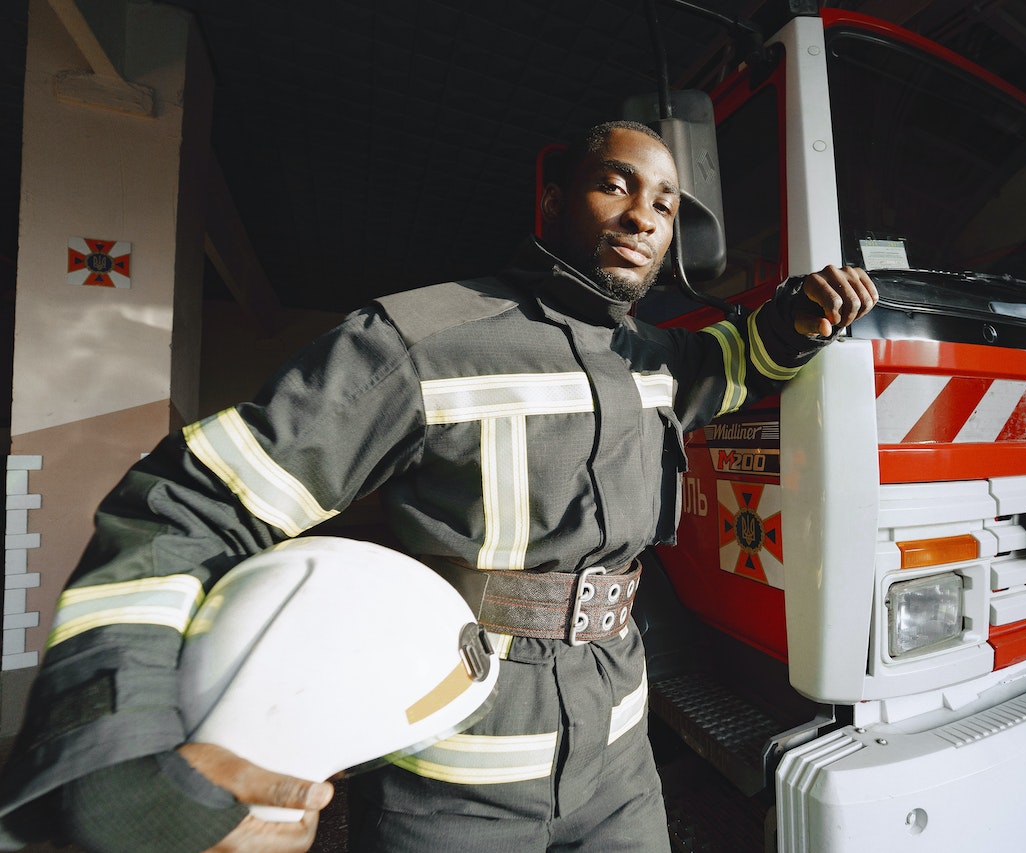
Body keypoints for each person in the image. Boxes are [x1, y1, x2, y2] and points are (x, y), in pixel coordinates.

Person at [0, 120, 876, 852]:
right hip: (451, 792)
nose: (644, 215)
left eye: (664, 202)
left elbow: (740, 364)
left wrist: (797, 318)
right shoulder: (418, 339)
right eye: (616, 184)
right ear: (553, 200)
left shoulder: (654, 358)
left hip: (622, 776)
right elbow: (183, 503)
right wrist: (120, 760)